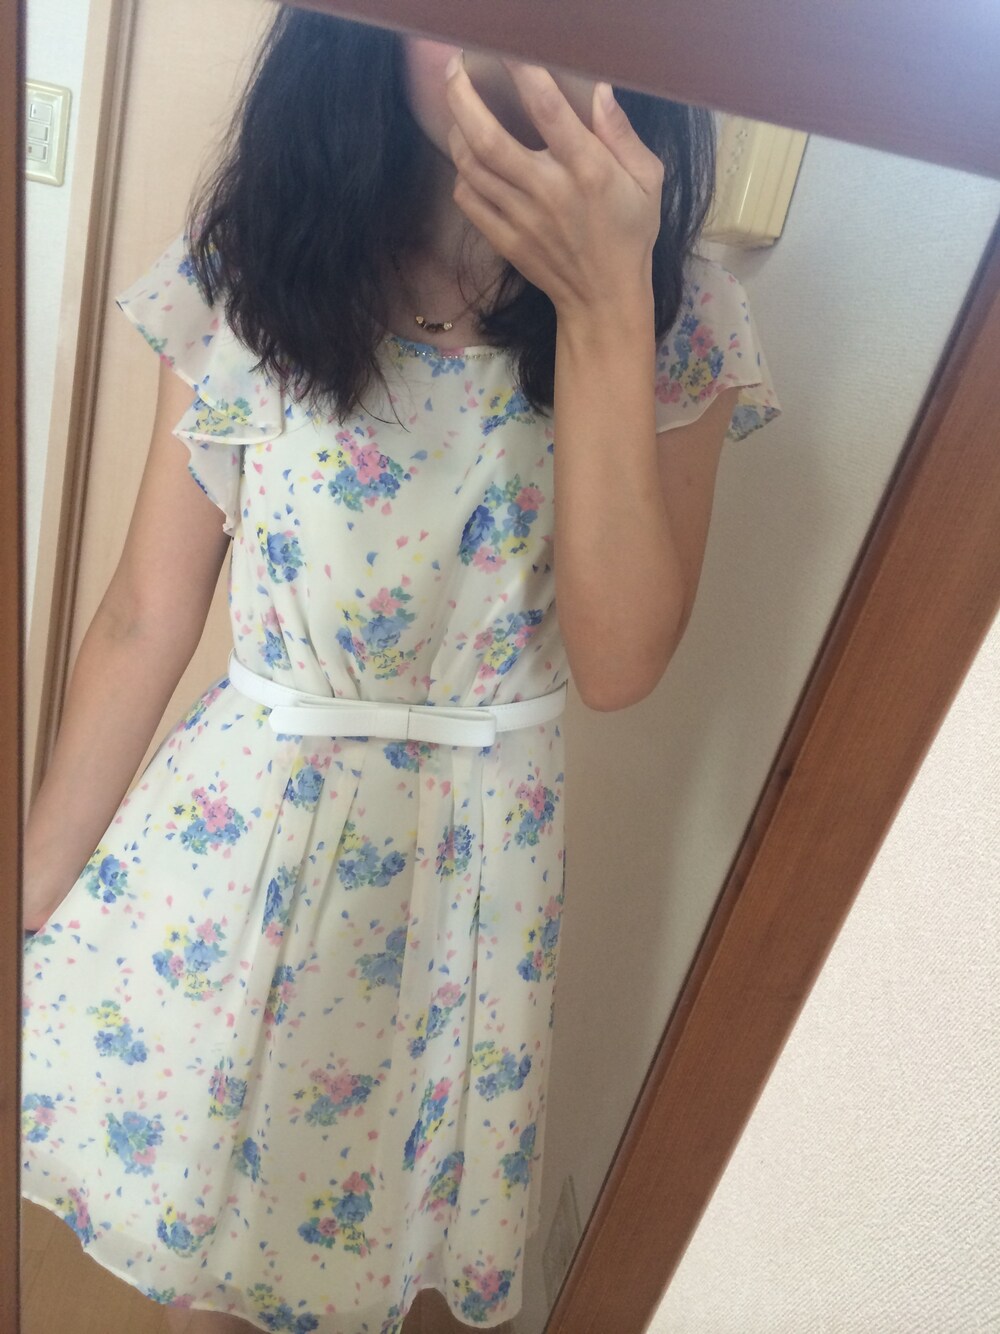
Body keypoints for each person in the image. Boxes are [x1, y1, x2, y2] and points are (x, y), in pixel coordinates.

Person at [20, 9, 782, 1333]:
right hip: (240, 854)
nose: (523, 58)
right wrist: (23, 903)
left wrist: (607, 307)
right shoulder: (250, 266)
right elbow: (147, 612)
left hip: (471, 882)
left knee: (368, 1260)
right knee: (205, 1254)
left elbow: (618, 661)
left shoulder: (686, 317)